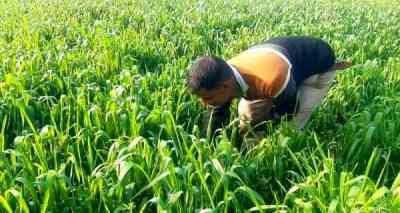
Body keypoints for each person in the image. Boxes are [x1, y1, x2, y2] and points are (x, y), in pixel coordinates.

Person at [186, 36, 352, 136]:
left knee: (292, 127)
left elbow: (289, 108)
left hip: (317, 64)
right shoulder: (221, 75)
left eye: (207, 98)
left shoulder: (271, 80)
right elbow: (216, 114)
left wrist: (265, 122)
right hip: (279, 60)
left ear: (225, 86)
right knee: (248, 119)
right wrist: (205, 146)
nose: (204, 103)